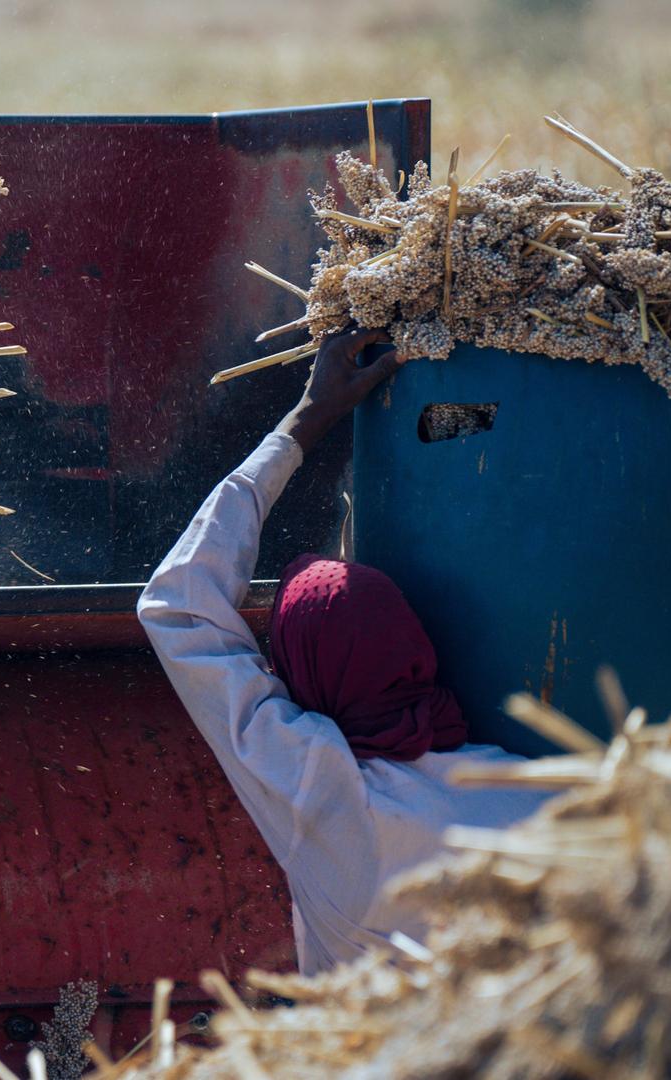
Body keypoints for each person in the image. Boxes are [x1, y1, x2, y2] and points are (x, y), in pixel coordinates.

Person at [136, 328, 549, 975]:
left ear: (305, 681)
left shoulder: (324, 793)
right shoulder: (537, 796)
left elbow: (177, 607)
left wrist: (308, 417)